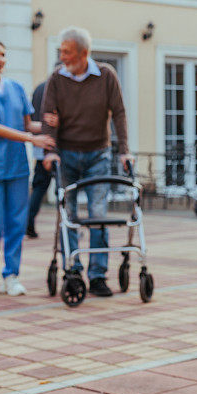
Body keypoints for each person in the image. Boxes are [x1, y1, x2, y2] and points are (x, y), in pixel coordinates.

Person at [41, 26, 133, 297]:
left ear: (84, 53)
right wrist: (50, 150)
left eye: (67, 51)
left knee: (98, 214)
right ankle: (73, 269)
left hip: (98, 154)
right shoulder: (56, 79)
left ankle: (97, 276)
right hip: (66, 154)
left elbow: (119, 114)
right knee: (69, 215)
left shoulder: (106, 76)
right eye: (61, 51)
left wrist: (124, 150)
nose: (62, 55)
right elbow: (48, 115)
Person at [0, 39, 55, 298]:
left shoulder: (16, 88)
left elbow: (29, 125)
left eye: (3, 54)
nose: (0, 59)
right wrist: (31, 139)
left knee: (17, 225)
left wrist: (52, 124)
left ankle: (12, 276)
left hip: (17, 168)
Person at [25, 77, 53, 238]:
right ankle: (70, 226)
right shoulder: (56, 88)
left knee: (39, 187)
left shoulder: (39, 87)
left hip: (39, 144)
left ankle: (29, 222)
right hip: (51, 144)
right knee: (63, 189)